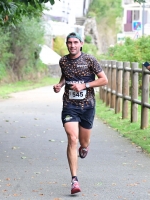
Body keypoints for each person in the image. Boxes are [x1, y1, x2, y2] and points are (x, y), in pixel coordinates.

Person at [53, 32, 108, 194]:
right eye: (69, 43)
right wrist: (60, 85)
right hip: (70, 106)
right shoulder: (63, 61)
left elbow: (104, 80)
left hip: (87, 106)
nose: (72, 45)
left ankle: (84, 147)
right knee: (72, 138)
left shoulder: (90, 60)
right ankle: (74, 180)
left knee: (83, 143)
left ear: (81, 44)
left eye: (75, 42)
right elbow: (65, 75)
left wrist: (85, 86)